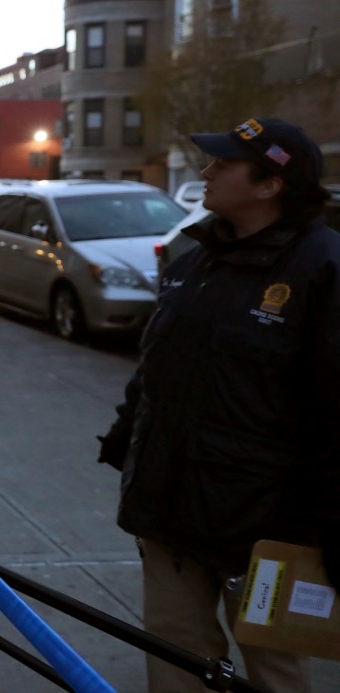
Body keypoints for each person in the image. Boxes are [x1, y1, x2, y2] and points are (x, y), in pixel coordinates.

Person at [98, 117, 340, 692]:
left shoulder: (322, 269)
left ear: (269, 185)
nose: (205, 173)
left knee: (275, 672)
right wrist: (126, 439)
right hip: (168, 509)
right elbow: (156, 368)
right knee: (176, 662)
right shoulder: (194, 260)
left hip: (265, 529)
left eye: (223, 165)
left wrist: (317, 522)